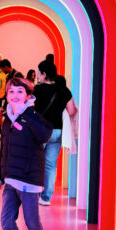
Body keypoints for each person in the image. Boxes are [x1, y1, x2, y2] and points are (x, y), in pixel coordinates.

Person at [0, 76, 54, 230]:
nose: (15, 95)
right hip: (11, 180)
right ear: (7, 97)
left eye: (20, 92)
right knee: (7, 222)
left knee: (32, 224)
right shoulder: (7, 119)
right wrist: (0, 176)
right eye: (11, 92)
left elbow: (46, 134)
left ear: (28, 96)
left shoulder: (32, 115)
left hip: (29, 180)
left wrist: (25, 113)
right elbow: (5, 149)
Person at [32, 53, 78, 206]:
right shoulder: (64, 90)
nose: (37, 75)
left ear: (44, 74)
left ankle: (34, 193)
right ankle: (46, 198)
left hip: (40, 132)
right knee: (51, 165)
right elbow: (71, 111)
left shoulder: (37, 90)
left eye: (38, 72)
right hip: (57, 132)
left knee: (35, 162)